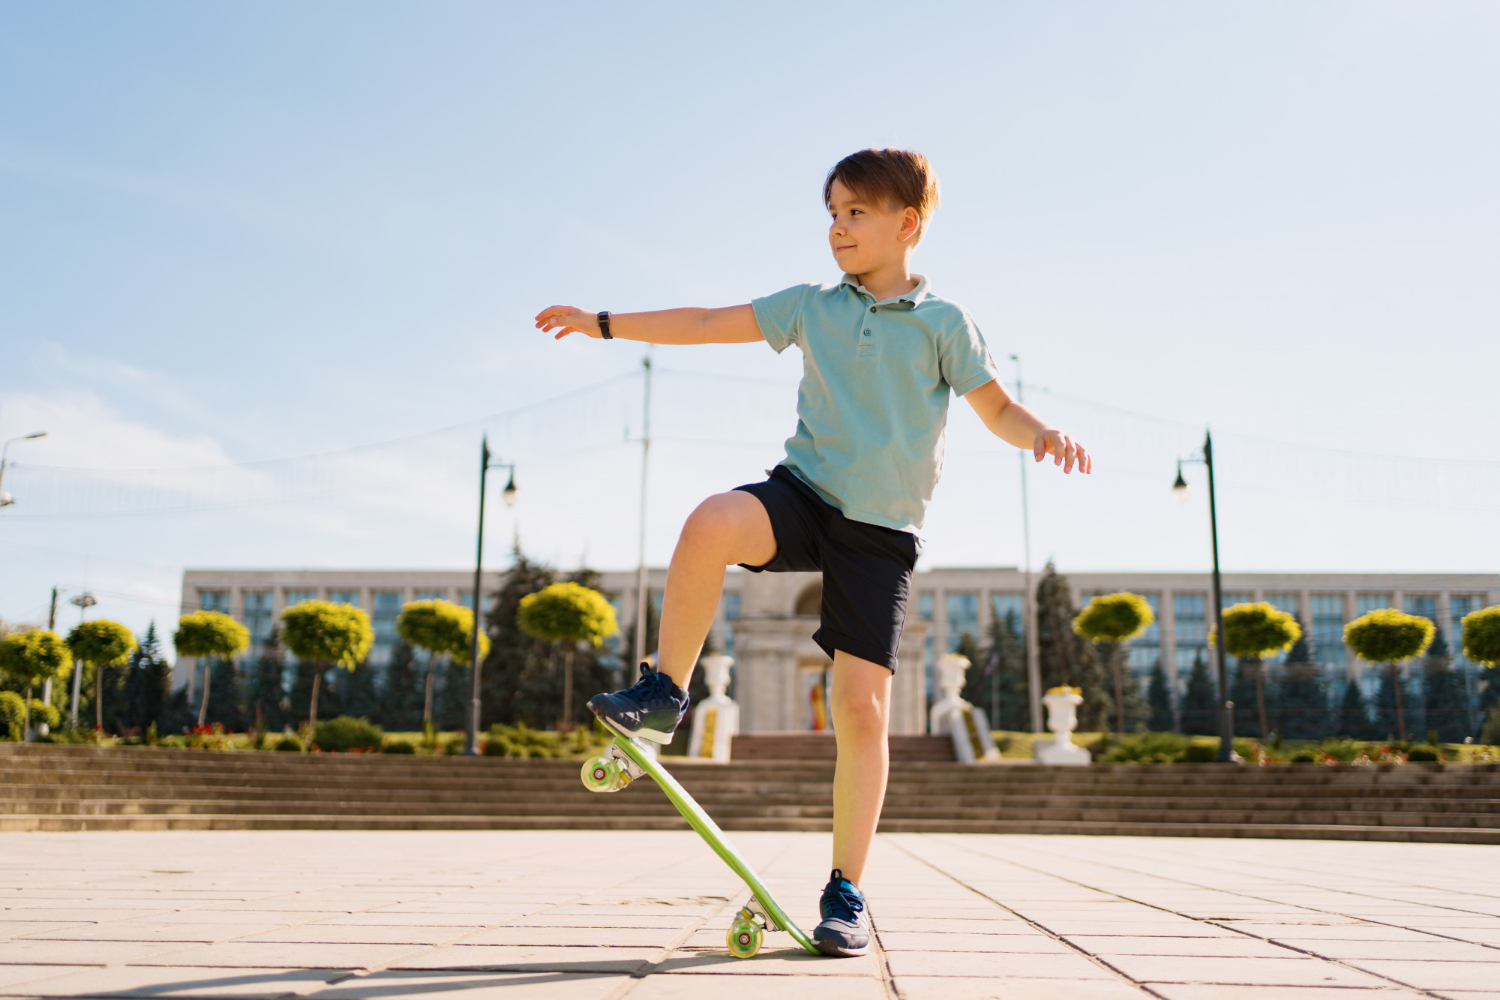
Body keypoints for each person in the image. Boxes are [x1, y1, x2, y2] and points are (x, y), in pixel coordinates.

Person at [534, 148, 1090, 957]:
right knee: (709, 523)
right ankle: (663, 693)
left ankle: (846, 889)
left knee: (861, 711)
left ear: (908, 223)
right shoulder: (812, 307)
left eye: (855, 213)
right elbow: (703, 323)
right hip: (805, 493)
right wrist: (605, 323)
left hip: (881, 533)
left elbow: (996, 408)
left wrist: (1042, 436)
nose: (837, 229)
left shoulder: (945, 324)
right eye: (831, 213)